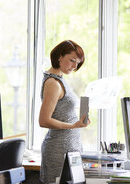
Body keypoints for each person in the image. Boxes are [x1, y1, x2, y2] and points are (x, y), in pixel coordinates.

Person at [39, 40, 90, 184]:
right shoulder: (53, 83)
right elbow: (44, 120)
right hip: (59, 151)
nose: (75, 66)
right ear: (59, 57)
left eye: (78, 63)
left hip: (69, 149)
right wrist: (73, 126)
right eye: (72, 60)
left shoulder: (60, 79)